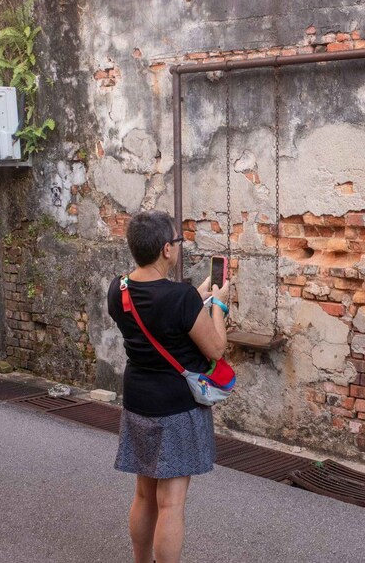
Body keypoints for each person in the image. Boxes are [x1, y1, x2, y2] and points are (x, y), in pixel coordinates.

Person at [107, 210, 230, 563]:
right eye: (178, 240)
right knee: (171, 503)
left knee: (144, 495)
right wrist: (219, 304)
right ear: (166, 249)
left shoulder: (118, 288)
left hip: (138, 401)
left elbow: (159, 310)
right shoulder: (181, 298)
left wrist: (197, 297)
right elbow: (216, 349)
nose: (179, 245)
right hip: (177, 408)